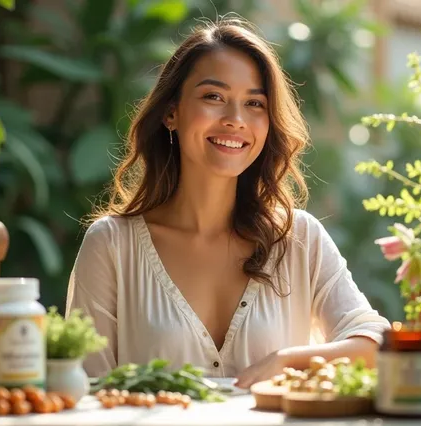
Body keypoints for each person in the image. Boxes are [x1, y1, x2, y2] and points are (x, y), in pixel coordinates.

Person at [65, 17, 390, 389]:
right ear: (171, 112)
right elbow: (85, 392)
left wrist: (289, 361)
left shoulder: (298, 238)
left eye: (255, 103)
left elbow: (376, 343)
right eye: (213, 97)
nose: (236, 120)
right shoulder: (111, 245)